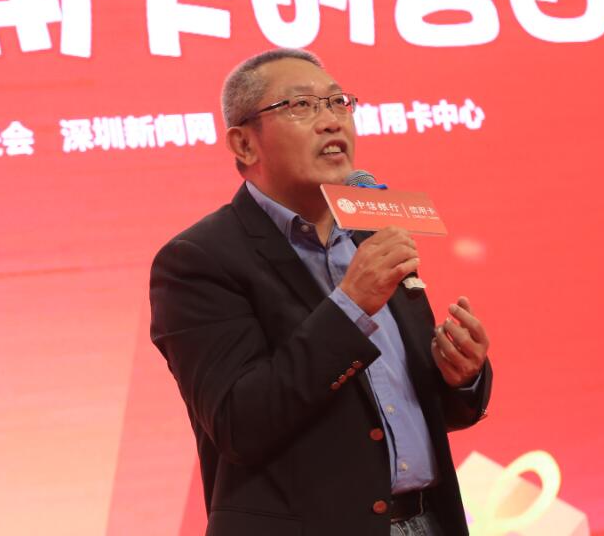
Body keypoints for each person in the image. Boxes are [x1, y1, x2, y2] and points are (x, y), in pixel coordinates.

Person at [150, 48, 492, 535]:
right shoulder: (197, 261)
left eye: (338, 102)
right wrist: (350, 306)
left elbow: (402, 412)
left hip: (428, 520)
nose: (332, 121)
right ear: (244, 144)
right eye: (301, 106)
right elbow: (239, 423)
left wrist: (460, 377)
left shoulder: (370, 230)